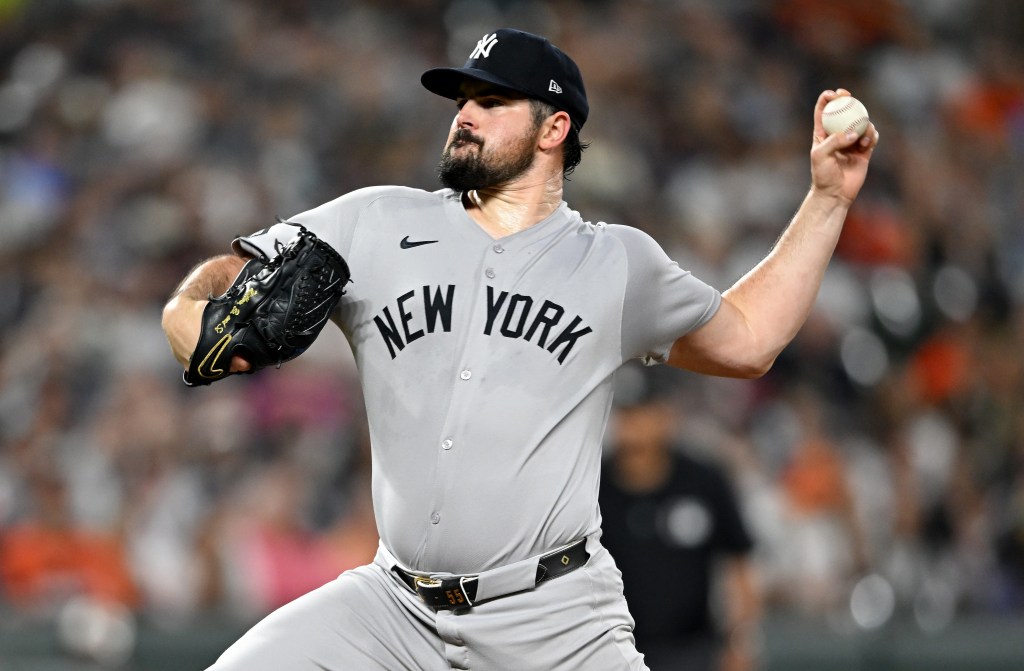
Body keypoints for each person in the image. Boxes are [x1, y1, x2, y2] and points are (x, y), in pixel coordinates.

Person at [161, 27, 877, 671]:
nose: (464, 115)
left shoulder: (616, 263)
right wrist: (187, 309)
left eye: (492, 101)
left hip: (555, 620)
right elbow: (232, 271)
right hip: (392, 609)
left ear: (554, 127)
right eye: (462, 100)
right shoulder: (375, 221)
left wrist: (827, 200)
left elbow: (749, 339)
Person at [600, 364, 761, 671]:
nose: (633, 424)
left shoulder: (703, 481)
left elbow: (739, 565)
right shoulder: (593, 488)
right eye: (625, 412)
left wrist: (740, 642)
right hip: (613, 650)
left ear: (666, 414)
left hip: (693, 650)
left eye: (643, 411)